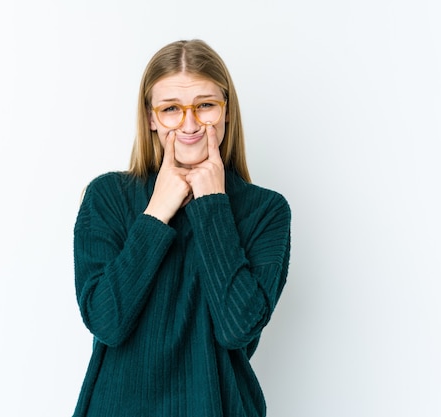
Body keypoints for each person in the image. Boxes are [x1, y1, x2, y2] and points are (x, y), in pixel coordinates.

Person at [72, 39, 291, 417]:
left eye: (205, 105)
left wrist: (212, 206)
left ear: (226, 112)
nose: (190, 124)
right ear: (151, 118)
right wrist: (157, 212)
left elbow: (237, 329)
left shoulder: (265, 210)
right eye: (171, 108)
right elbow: (107, 322)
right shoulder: (107, 197)